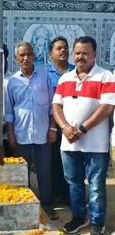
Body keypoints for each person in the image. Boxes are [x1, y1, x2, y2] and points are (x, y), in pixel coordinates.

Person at [52, 36, 115, 235]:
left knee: (96, 187)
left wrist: (82, 129)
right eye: (77, 52)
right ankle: (80, 216)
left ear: (94, 54)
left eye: (85, 52)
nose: (81, 57)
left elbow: (107, 106)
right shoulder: (65, 78)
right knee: (74, 184)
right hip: (69, 144)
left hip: (96, 145)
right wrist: (64, 127)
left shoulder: (105, 76)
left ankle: (97, 222)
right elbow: (56, 105)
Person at [5, 42, 56, 220]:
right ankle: (25, 205)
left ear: (34, 56)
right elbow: (9, 112)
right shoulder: (12, 81)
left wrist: (52, 128)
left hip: (43, 132)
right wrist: (10, 134)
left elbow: (52, 106)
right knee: (22, 172)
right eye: (22, 55)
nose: (26, 58)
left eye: (29, 54)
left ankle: (47, 205)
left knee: (44, 171)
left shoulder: (45, 76)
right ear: (16, 58)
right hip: (21, 133)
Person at [46, 36, 75, 206]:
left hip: (72, 125)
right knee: (54, 160)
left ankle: (71, 195)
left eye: (65, 48)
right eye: (58, 48)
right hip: (53, 125)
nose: (63, 50)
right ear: (51, 54)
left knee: (73, 161)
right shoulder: (44, 74)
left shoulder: (75, 72)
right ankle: (56, 194)